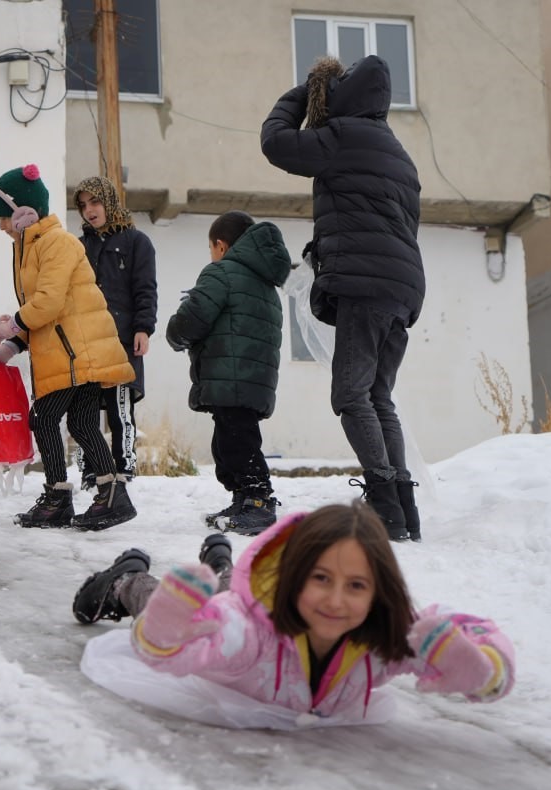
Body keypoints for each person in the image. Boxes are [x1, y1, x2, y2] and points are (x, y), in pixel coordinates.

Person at [71, 501, 514, 725]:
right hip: (236, 614)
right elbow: (169, 649)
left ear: (378, 592)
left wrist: (484, 668)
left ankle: (222, 560)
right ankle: (126, 579)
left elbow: (468, 633)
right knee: (176, 603)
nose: (336, 601)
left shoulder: (382, 642)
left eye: (356, 586)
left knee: (221, 584)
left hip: (257, 600)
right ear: (294, 574)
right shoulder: (243, 635)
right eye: (321, 579)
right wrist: (166, 628)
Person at [260, 54, 425, 542]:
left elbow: (276, 143)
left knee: (351, 394)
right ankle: (404, 509)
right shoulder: (397, 151)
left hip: (365, 284)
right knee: (378, 395)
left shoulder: (346, 135)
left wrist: (306, 90)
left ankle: (384, 500)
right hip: (402, 287)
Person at [0, 163, 137, 531]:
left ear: (24, 213)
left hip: (77, 352)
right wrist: (13, 344)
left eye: (4, 217)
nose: (2, 226)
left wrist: (8, 326)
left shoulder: (57, 243)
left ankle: (57, 497)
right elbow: (45, 312)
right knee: (82, 423)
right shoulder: (30, 247)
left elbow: (47, 304)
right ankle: (112, 495)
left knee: (44, 417)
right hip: (69, 350)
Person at [166, 210, 290, 536]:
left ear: (220, 245)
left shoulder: (221, 273)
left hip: (230, 373)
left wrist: (176, 334)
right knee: (229, 440)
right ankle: (243, 500)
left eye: (211, 249)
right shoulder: (265, 284)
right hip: (252, 377)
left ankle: (258, 500)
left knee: (237, 441)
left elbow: (194, 317)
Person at [71, 175, 158, 490]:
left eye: (94, 202)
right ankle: (91, 470)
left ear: (108, 201)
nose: (89, 211)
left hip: (121, 338)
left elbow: (145, 289)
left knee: (120, 407)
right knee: (85, 410)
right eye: (82, 205)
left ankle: (124, 469)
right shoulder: (79, 247)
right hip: (86, 341)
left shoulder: (137, 242)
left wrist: (143, 329)